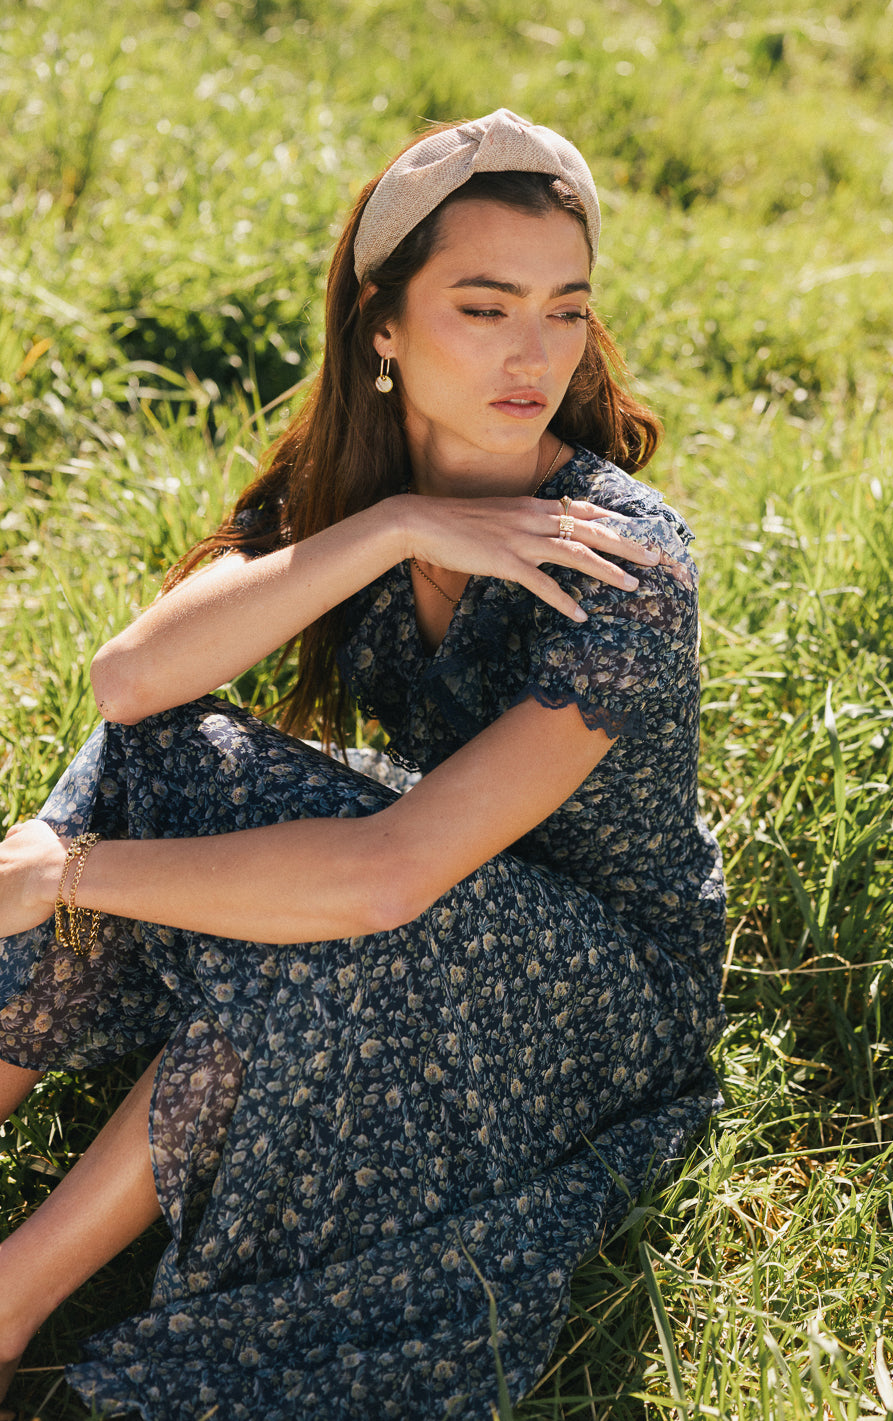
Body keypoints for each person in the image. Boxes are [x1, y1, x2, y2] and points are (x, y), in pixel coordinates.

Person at [0, 109, 725, 1419]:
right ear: (381, 324)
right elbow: (131, 685)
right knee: (156, 753)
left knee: (323, 925)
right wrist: (392, 525)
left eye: (566, 310)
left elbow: (390, 875)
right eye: (484, 307)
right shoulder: (363, 488)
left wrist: (75, 873)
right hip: (440, 875)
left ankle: (10, 1297)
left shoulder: (625, 563)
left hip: (603, 993)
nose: (534, 354)